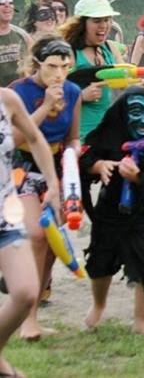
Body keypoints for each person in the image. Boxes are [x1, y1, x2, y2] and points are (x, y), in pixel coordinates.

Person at [79, 87, 144, 335]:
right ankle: (98, 306)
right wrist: (98, 165)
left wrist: (138, 178)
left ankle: (141, 321)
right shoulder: (108, 136)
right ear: (123, 112)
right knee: (101, 260)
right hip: (110, 211)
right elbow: (83, 158)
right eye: (137, 111)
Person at [8, 37, 80, 341]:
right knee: (37, 234)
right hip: (19, 166)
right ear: (37, 63)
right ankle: (27, 319)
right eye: (52, 66)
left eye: (66, 66)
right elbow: (14, 137)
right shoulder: (18, 91)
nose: (60, 74)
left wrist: (73, 157)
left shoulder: (73, 92)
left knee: (53, 242)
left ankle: (35, 308)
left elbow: (73, 137)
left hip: (56, 167)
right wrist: (47, 106)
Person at [0, 78, 62, 376]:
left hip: (4, 213)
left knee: (25, 293)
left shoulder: (7, 100)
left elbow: (34, 138)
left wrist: (52, 183)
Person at [59, 0, 126, 141]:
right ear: (81, 24)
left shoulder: (110, 48)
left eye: (107, 20)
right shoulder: (69, 53)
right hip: (79, 137)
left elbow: (125, 83)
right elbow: (52, 96)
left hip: (107, 133)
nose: (103, 26)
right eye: (97, 21)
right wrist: (81, 96)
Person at [0, 0, 31, 87]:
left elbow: (32, 67)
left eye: (10, 2)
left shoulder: (23, 36)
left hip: (19, 96)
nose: (7, 6)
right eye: (1, 3)